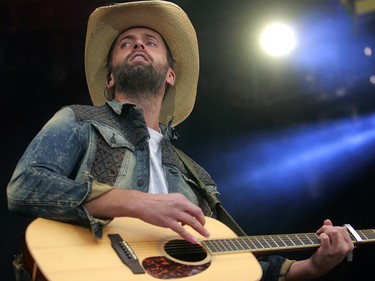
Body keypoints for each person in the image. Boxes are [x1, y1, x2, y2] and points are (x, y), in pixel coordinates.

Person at [7, 1, 354, 281]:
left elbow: (242, 266)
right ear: (110, 78)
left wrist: (315, 265)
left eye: (150, 41)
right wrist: (132, 202)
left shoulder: (196, 177)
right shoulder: (78, 120)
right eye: (125, 43)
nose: (138, 44)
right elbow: (24, 187)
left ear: (170, 75)